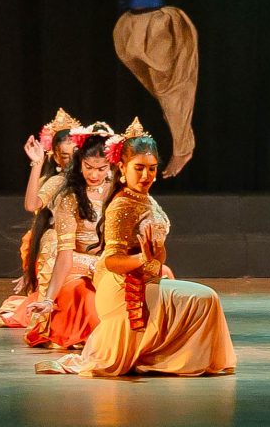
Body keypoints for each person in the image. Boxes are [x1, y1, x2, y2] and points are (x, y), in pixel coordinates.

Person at [36, 125, 235, 377]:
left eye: (151, 168)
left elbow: (158, 255)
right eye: (138, 168)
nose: (146, 175)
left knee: (206, 297)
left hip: (146, 277)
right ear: (122, 168)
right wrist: (143, 258)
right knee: (204, 298)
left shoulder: (145, 199)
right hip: (122, 287)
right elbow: (111, 261)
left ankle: (176, 357)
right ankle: (176, 359)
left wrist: (155, 254)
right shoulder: (122, 205)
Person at [108, 0, 198, 177]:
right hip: (134, 22)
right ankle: (172, 116)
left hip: (156, 23)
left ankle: (184, 148)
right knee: (161, 90)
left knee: (171, 90)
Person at [25, 127, 118, 351]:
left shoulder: (118, 191)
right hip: (77, 260)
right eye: (88, 168)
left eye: (101, 169)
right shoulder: (66, 190)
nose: (94, 175)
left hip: (110, 261)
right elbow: (31, 206)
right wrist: (37, 164)